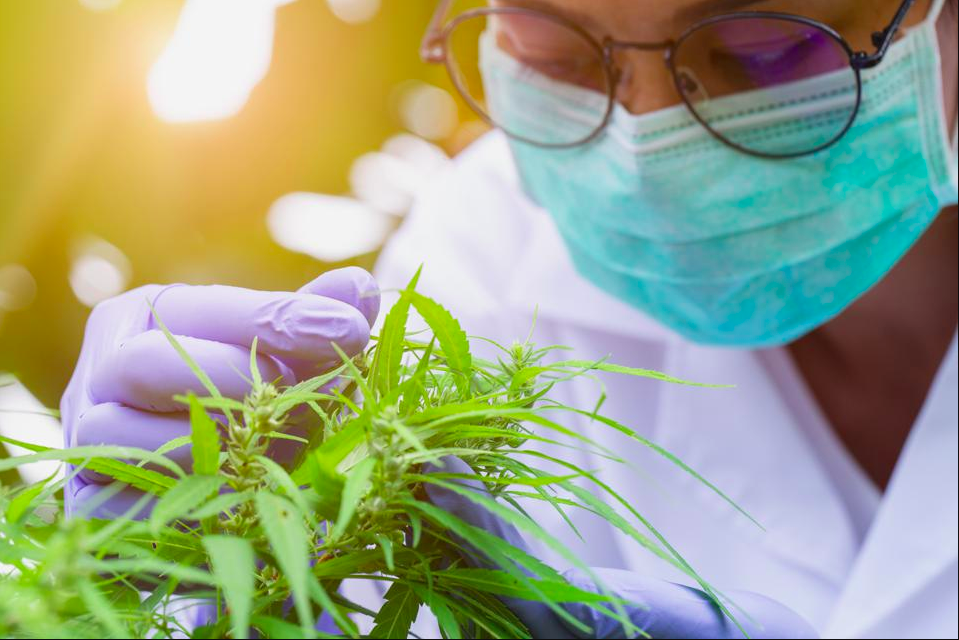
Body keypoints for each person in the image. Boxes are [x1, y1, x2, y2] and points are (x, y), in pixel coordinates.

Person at [60, 0, 958, 637]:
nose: (643, 150)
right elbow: (365, 591)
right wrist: (206, 547)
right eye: (554, 51)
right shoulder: (487, 253)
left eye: (761, 48)